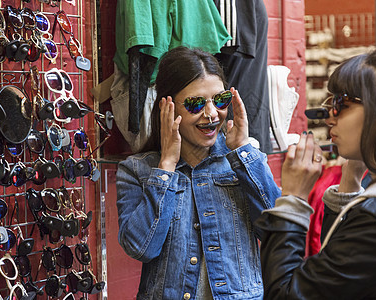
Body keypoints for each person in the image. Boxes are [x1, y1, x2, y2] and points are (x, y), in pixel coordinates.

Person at [255, 44, 376, 299]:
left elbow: (285, 294)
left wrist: (293, 199)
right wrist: (350, 183)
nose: (330, 117)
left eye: (341, 104)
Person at [116, 46, 281, 300]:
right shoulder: (137, 170)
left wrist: (243, 151)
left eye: (220, 100)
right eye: (195, 104)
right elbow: (141, 248)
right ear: (167, 107)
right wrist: (167, 167)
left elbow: (278, 231)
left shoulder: (243, 163)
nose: (212, 114)